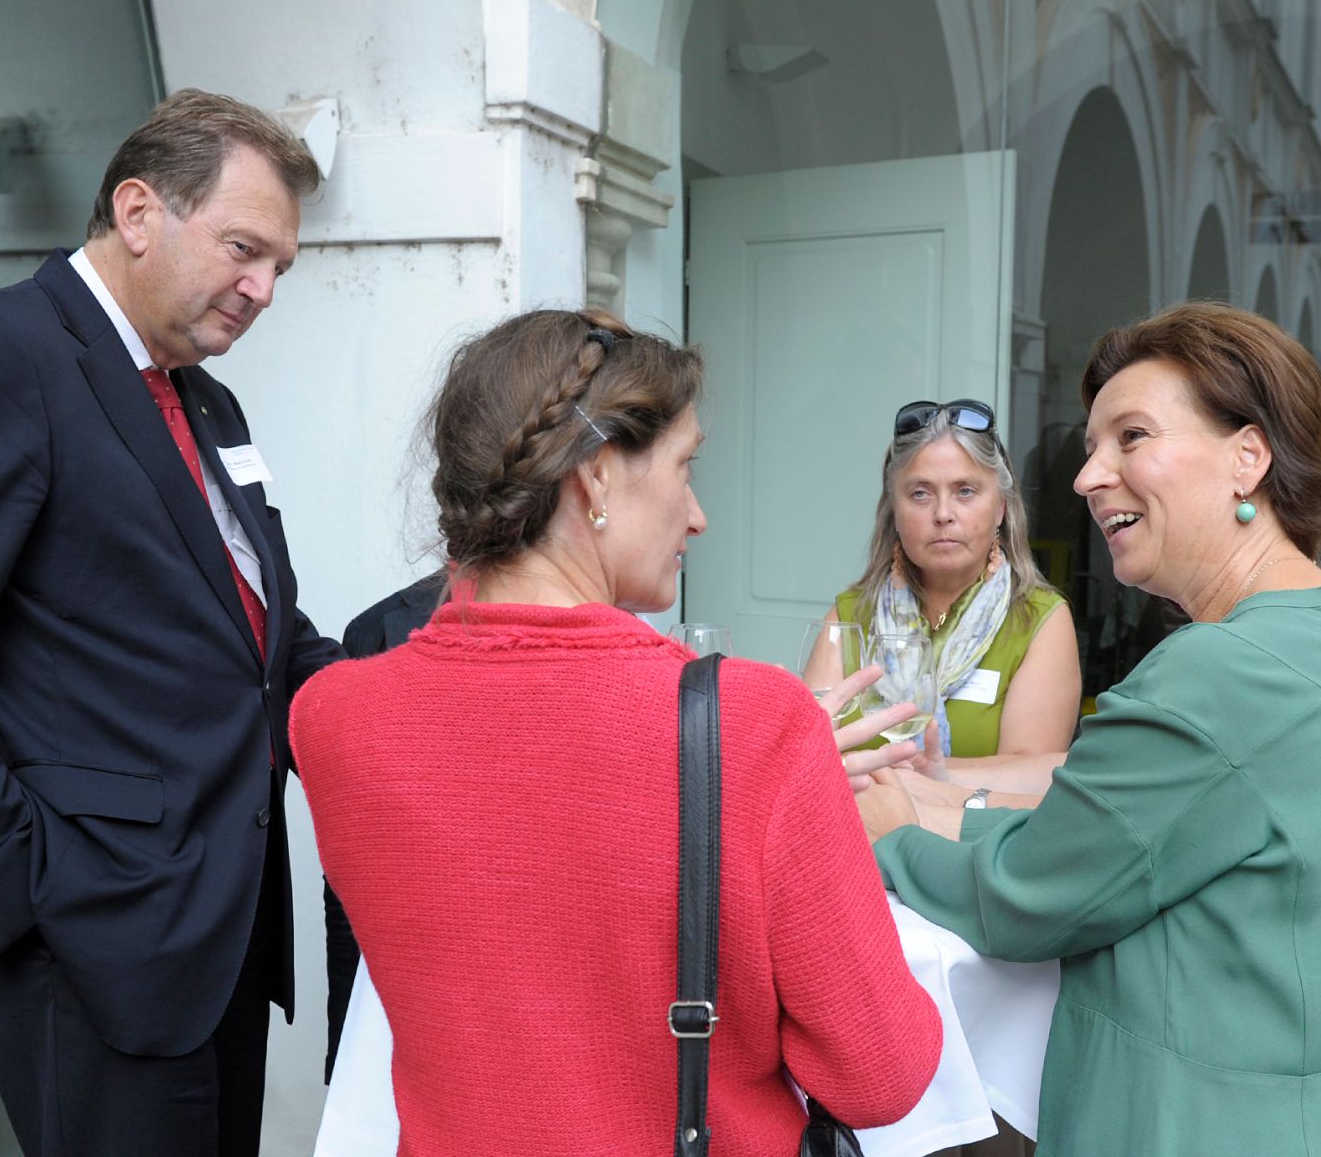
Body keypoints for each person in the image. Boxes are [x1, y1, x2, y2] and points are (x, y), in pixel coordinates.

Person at [0, 90, 344, 1156]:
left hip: (217, 932)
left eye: (280, 266)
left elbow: (256, 640)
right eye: (243, 249)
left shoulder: (206, 400)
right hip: (92, 940)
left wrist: (423, 694)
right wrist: (28, 889)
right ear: (138, 212)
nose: (263, 289)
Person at [290, 310, 942, 1154]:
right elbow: (881, 1073)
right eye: (685, 467)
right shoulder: (759, 726)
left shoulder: (332, 718)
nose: (698, 515)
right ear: (595, 477)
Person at [859, 303, 1321, 1155]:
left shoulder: (1219, 671)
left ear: (1248, 457)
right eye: (1095, 446)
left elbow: (1030, 898)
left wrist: (894, 835)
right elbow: (1124, 838)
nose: (1088, 476)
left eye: (1130, 436)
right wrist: (949, 809)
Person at [807, 398, 1080, 798]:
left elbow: (1034, 777)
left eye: (965, 491)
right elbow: (808, 759)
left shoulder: (1039, 621)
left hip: (970, 849)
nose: (943, 513)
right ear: (894, 512)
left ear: (1001, 507)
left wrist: (934, 775)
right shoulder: (851, 617)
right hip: (861, 848)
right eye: (920, 493)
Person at [323, 570, 443, 1082]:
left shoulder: (619, 636)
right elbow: (347, 878)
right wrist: (348, 1062)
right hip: (404, 1012)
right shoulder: (376, 629)